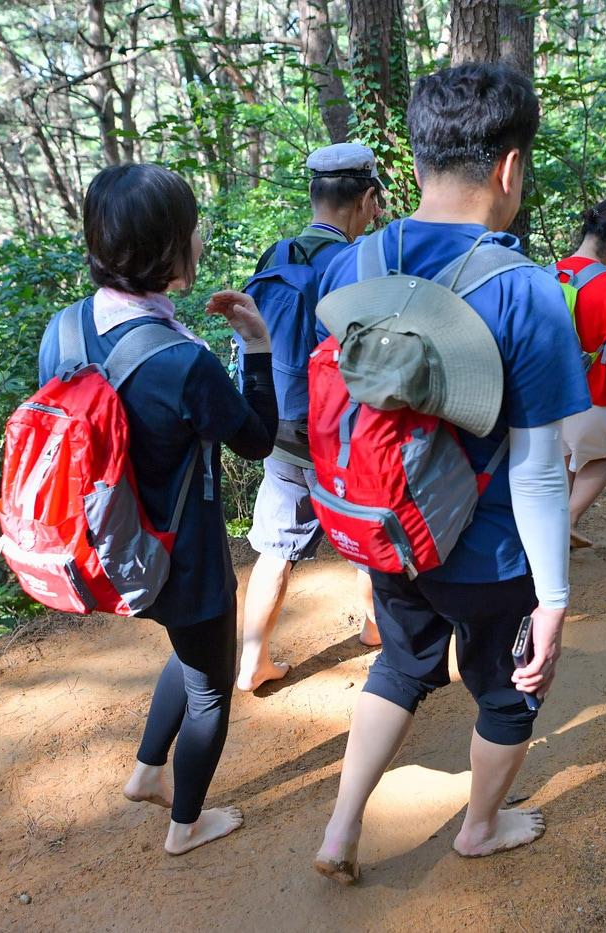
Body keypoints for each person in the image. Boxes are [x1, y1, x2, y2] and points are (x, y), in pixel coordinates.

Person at [312, 63, 591, 883]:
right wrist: (555, 598)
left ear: (419, 154)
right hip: (487, 552)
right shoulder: (526, 290)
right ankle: (478, 826)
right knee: (510, 692)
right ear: (509, 167)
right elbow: (539, 468)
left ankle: (339, 828)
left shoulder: (352, 265)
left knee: (399, 664)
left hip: (385, 527)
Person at [36, 164, 277, 855]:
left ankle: (147, 773)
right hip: (183, 553)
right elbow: (256, 440)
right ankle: (186, 825)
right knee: (210, 688)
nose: (199, 236)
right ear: (169, 250)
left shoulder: (65, 328)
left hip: (109, 543)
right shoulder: (182, 361)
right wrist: (255, 345)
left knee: (192, 652)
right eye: (190, 227)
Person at [238, 144, 387, 693]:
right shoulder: (357, 263)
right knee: (365, 532)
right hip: (334, 434)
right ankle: (378, 629)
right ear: (368, 198)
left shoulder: (275, 255)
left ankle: (252, 659)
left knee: (275, 548)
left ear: (312, 195)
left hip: (275, 427)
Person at [552, 200, 606, 548]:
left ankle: (555, 537)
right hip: (593, 395)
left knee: (564, 463)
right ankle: (568, 520)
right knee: (604, 456)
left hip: (546, 396)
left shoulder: (548, 273)